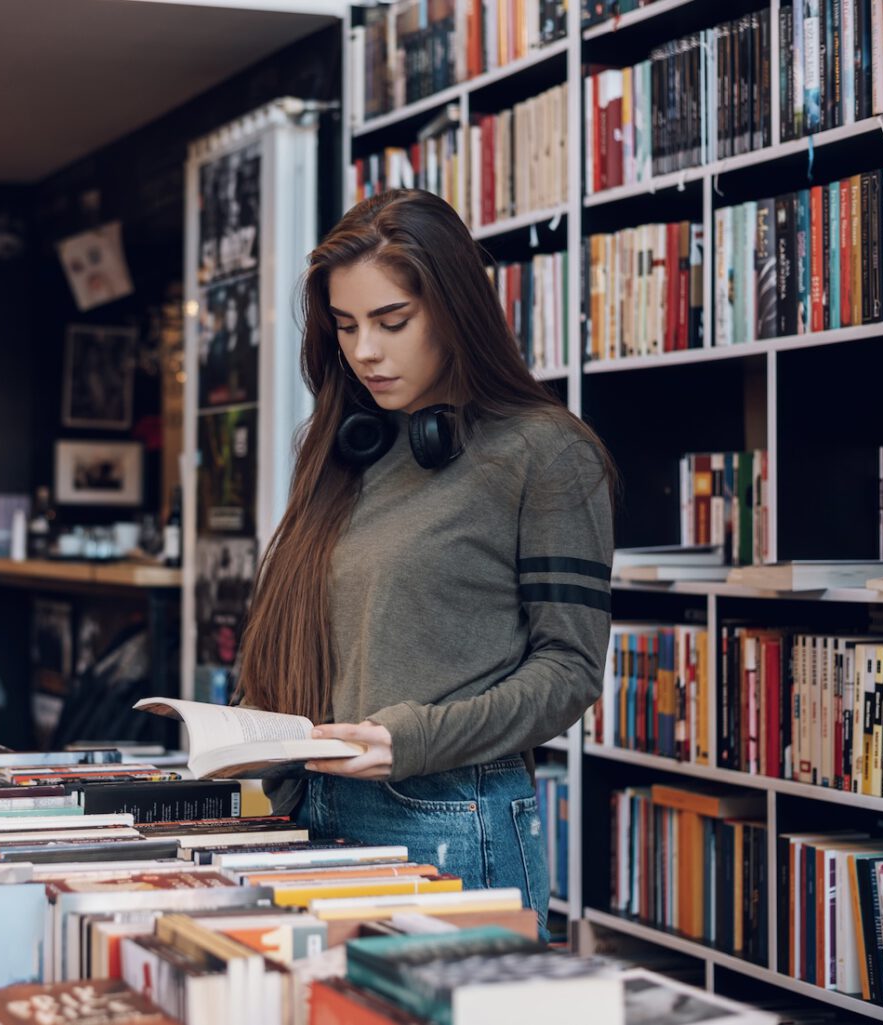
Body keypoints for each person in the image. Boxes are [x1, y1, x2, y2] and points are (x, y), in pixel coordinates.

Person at [235, 190, 616, 937]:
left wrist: (412, 737)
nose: (365, 351)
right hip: (313, 808)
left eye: (392, 321)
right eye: (345, 326)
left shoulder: (545, 452)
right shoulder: (348, 450)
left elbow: (569, 670)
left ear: (454, 310)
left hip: (449, 816)